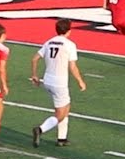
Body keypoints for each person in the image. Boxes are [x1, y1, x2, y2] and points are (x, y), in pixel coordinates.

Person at [30, 18, 87, 148]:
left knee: (63, 107)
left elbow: (35, 59)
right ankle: (40, 129)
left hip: (47, 80)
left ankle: (62, 138)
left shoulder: (49, 42)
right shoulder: (69, 45)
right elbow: (72, 66)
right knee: (61, 113)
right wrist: (80, 81)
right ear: (69, 30)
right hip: (59, 82)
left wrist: (34, 75)